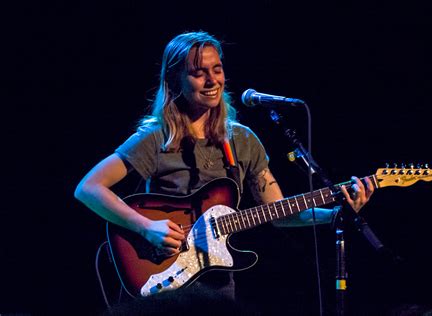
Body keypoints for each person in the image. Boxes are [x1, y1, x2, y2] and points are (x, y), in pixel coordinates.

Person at [74, 31, 373, 304]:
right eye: (198, 73)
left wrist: (334, 213)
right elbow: (88, 188)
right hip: (165, 280)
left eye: (217, 70)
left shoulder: (242, 139)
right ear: (176, 79)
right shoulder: (157, 138)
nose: (212, 80)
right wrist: (148, 227)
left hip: (217, 287)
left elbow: (280, 212)